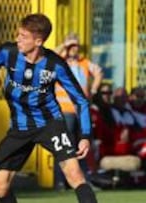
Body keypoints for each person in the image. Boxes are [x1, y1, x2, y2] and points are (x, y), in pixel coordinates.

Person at [0, 14, 98, 203]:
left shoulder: (56, 65)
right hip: (20, 127)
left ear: (38, 41)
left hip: (50, 123)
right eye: (18, 34)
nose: (17, 39)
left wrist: (85, 136)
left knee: (74, 174)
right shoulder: (8, 52)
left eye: (23, 36)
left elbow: (81, 100)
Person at [53, 33, 103, 190]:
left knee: (83, 146)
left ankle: (83, 180)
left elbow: (99, 72)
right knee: (64, 146)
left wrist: (93, 90)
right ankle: (61, 181)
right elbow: (50, 56)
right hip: (64, 110)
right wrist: (64, 45)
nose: (73, 49)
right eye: (71, 46)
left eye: (75, 46)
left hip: (81, 111)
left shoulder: (84, 63)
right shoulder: (60, 62)